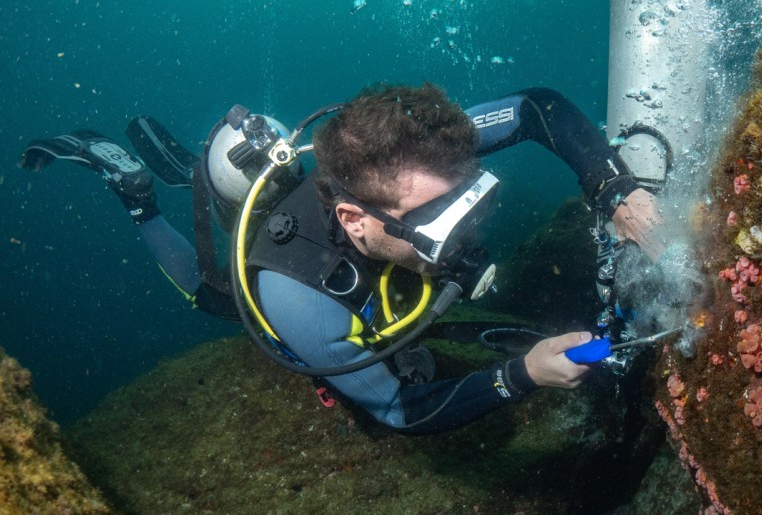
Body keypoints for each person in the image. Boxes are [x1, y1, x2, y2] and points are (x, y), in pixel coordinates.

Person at [19, 84, 662, 434]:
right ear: (354, 219)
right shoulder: (294, 297)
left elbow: (533, 107)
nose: (464, 230)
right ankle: (137, 195)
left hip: (335, 203)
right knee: (209, 292)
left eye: (469, 198)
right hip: (277, 261)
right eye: (437, 219)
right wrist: (520, 374)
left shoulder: (412, 158)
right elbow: (401, 411)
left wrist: (610, 186)